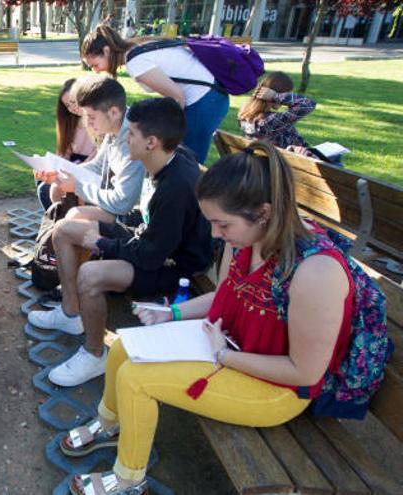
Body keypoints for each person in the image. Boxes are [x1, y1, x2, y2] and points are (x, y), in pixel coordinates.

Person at [60, 141, 360, 495]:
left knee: (136, 379)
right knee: (125, 345)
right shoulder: (251, 238)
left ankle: (128, 480)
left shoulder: (316, 272)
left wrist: (224, 355)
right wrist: (170, 312)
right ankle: (108, 424)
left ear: (263, 212)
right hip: (232, 348)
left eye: (222, 225)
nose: (216, 236)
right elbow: (227, 294)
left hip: (277, 390)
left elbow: (305, 372)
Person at [29, 97, 213, 387]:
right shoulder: (162, 160)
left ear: (151, 141)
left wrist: (101, 242)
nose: (125, 137)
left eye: (132, 133)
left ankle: (94, 353)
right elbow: (146, 230)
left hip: (175, 268)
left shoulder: (176, 187)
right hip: (148, 242)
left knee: (91, 275)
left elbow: (150, 256)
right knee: (65, 229)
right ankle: (70, 312)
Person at [80, 24, 230, 163]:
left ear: (106, 51)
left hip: (205, 102)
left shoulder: (135, 62)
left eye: (95, 65)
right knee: (181, 161)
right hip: (211, 98)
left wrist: (166, 132)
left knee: (187, 163)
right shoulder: (137, 48)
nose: (96, 70)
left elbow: (178, 97)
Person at [36, 75, 145, 236]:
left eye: (91, 117)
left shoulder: (132, 140)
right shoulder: (115, 126)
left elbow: (123, 203)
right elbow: (98, 165)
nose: (88, 122)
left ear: (114, 112)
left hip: (136, 215)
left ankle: (71, 241)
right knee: (55, 188)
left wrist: (76, 186)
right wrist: (62, 174)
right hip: (116, 201)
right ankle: (68, 242)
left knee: (74, 216)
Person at [36, 78, 98, 210]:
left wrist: (67, 175)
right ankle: (57, 220)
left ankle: (64, 223)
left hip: (89, 169)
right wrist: (51, 168)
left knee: (49, 190)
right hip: (70, 166)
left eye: (73, 102)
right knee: (43, 184)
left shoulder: (98, 124)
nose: (72, 108)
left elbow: (95, 160)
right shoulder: (71, 123)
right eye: (67, 105)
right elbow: (64, 154)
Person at [238, 71, 324, 160]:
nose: (284, 102)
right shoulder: (269, 122)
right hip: (286, 165)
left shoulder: (245, 117)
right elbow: (308, 105)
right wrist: (276, 96)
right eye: (286, 94)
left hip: (272, 162)